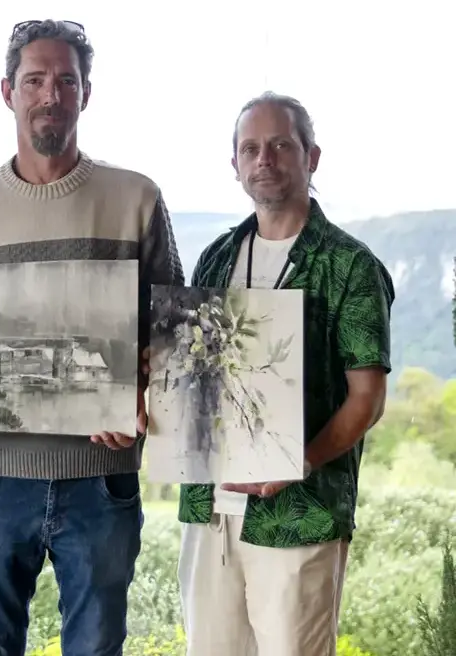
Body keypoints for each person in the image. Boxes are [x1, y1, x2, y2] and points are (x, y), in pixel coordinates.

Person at [0, 19, 184, 656]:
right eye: (35, 80)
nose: (51, 94)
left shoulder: (136, 197)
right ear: (7, 91)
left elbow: (175, 333)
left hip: (101, 476)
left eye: (66, 81)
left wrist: (140, 393)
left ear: (86, 93)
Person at [176, 92, 394, 656]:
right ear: (235, 164)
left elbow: (367, 398)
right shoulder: (216, 257)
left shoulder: (351, 266)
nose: (264, 160)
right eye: (250, 149)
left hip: (300, 515)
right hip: (211, 509)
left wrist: (301, 460)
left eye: (280, 145)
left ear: (311, 157)